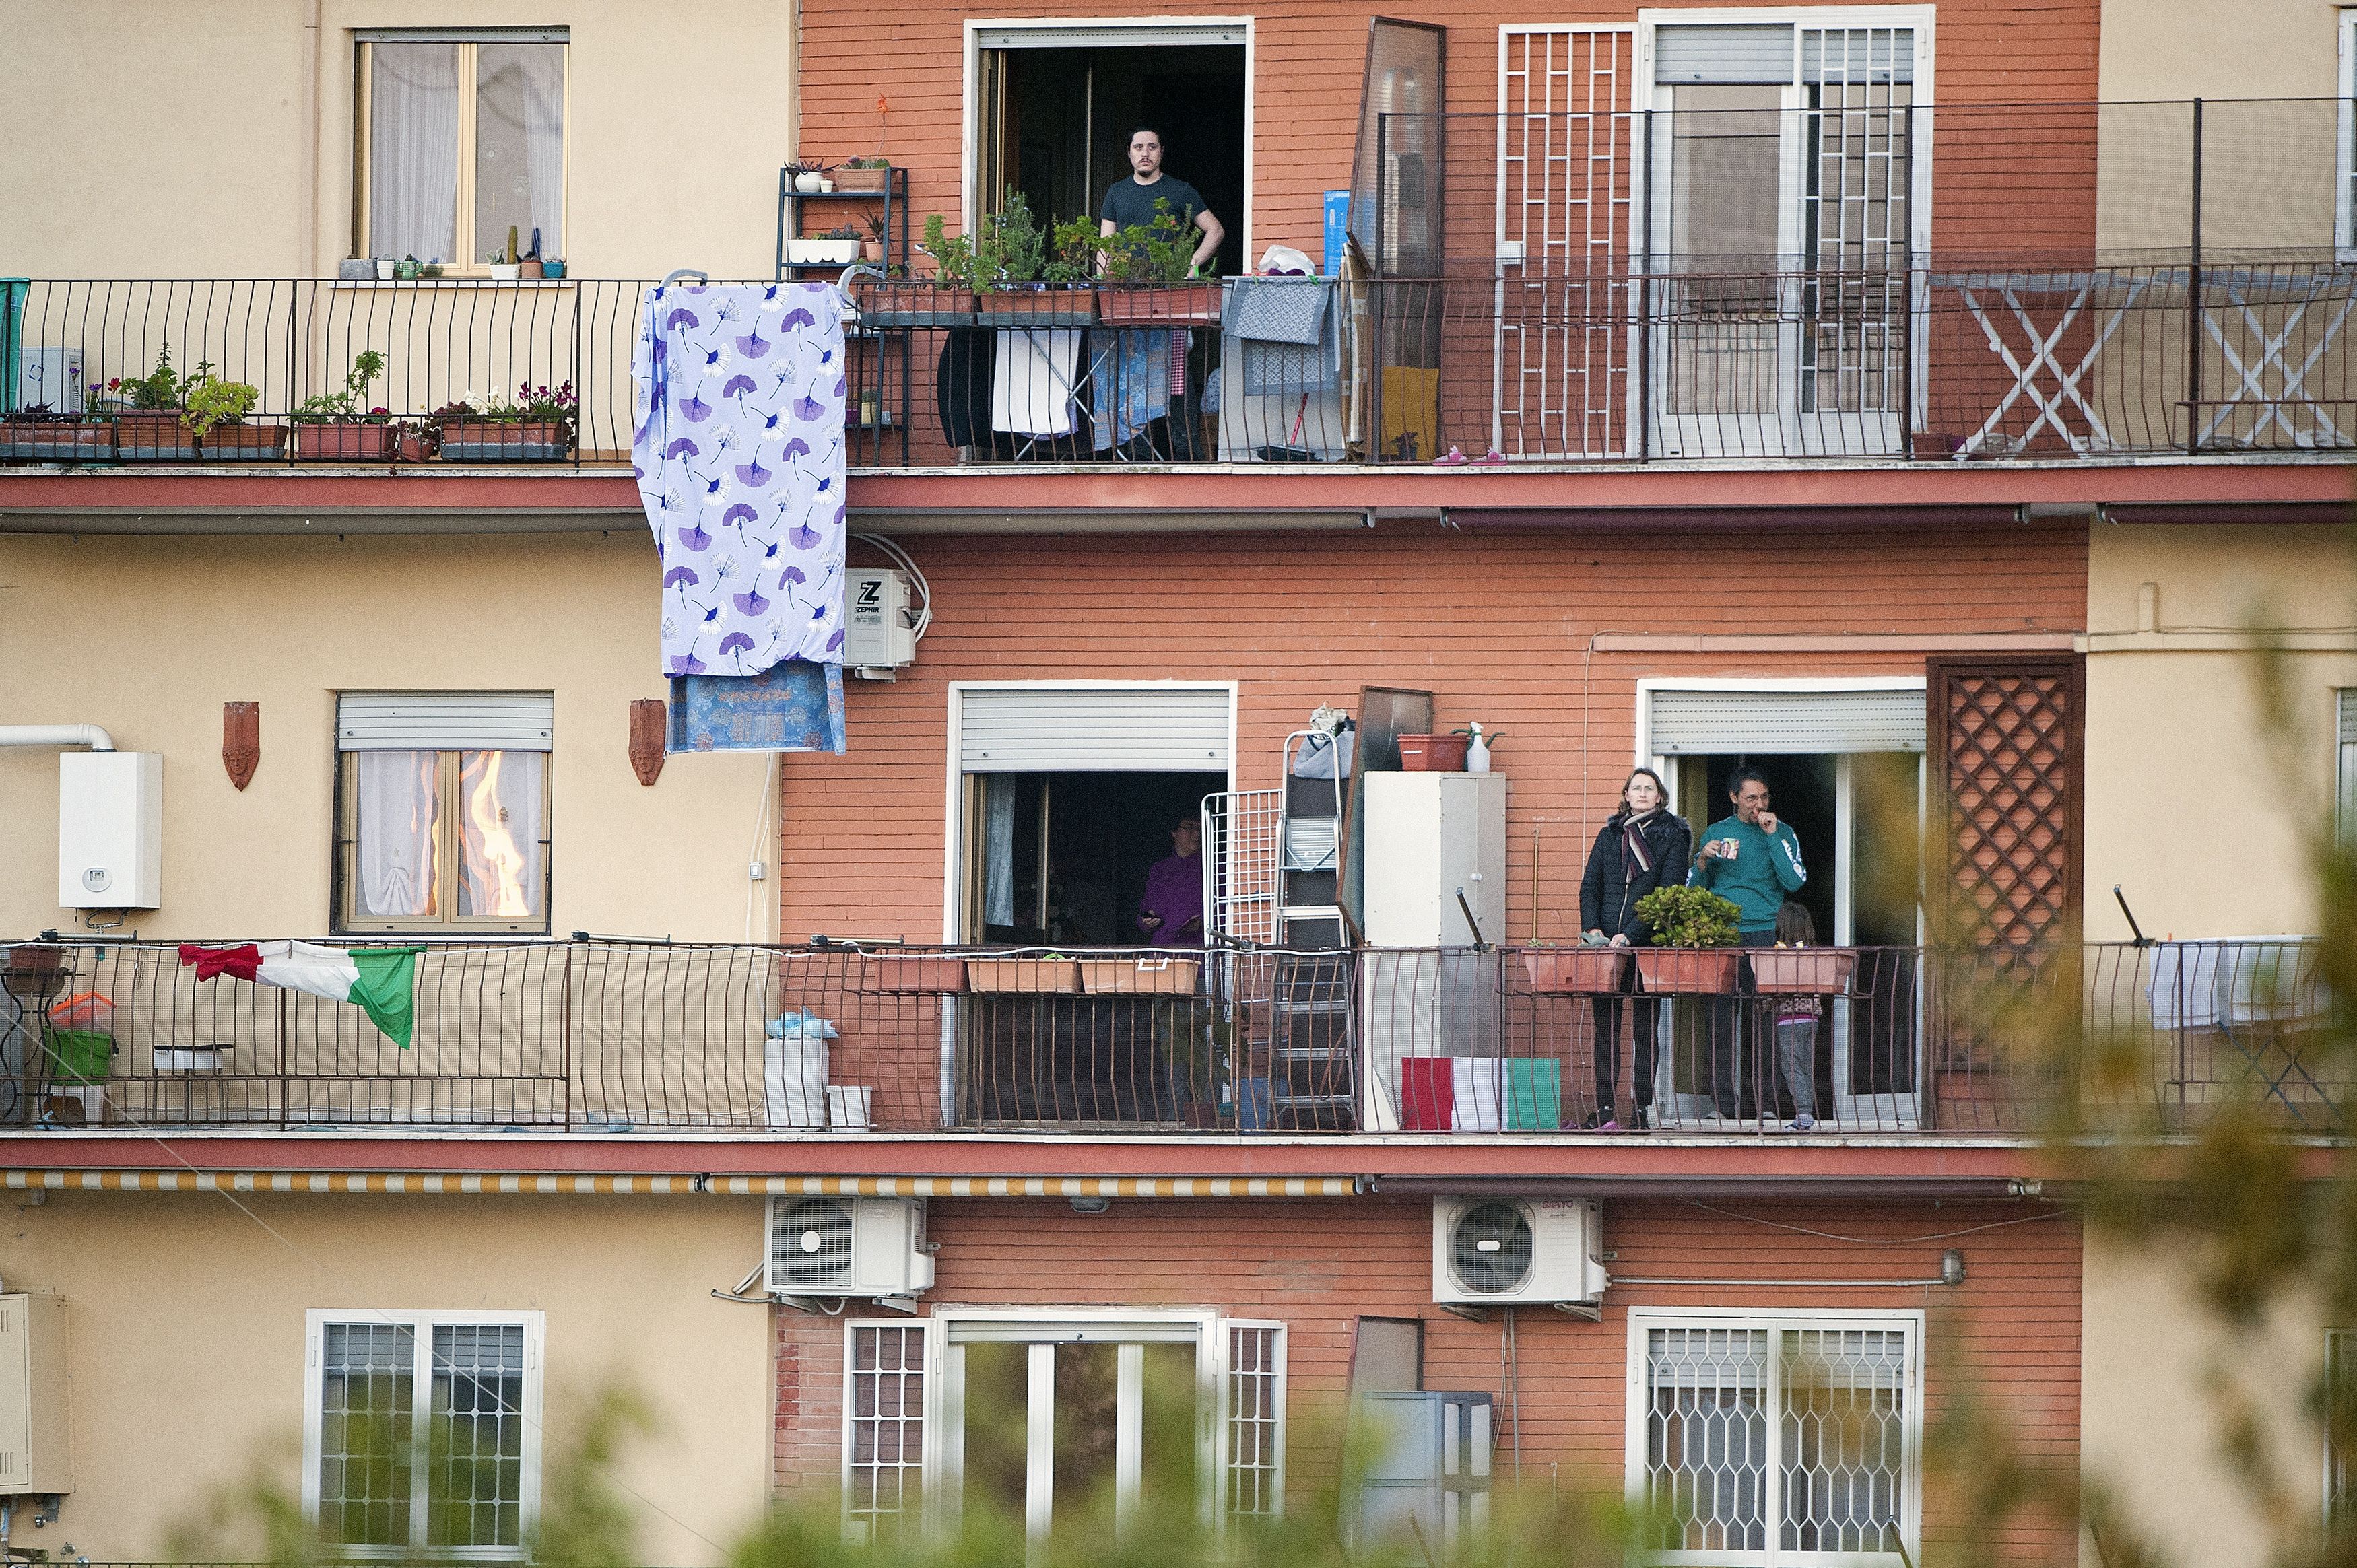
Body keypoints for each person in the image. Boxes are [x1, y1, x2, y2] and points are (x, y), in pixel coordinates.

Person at [1688, 768, 1807, 1120]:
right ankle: (1723, 1106)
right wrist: (1703, 860)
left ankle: (1766, 1106)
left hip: (1767, 934)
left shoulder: (1782, 832)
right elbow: (1694, 892)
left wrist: (1772, 836)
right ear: (1734, 798)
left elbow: (1795, 881)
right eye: (1752, 797)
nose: (1760, 804)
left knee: (1764, 1023)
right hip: (1722, 935)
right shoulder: (1717, 832)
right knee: (1721, 1020)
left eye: (1765, 797)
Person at [1575, 767, 1690, 1131]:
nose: (1642, 793)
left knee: (1645, 1029)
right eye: (1636, 788)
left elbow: (1668, 892)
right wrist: (1593, 928)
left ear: (1659, 797)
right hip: (1604, 948)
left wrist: (1632, 934)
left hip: (1646, 948)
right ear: (1626, 794)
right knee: (1605, 1029)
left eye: (1649, 789)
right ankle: (1607, 1109)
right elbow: (1590, 885)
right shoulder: (1610, 835)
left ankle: (1642, 1110)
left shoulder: (1674, 835)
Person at [1099, 127, 1225, 273]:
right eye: (1138, 147)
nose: (1145, 153)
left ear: (1162, 152)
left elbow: (1215, 230)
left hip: (1170, 286)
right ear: (1129, 152)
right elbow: (1106, 244)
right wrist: (1105, 284)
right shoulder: (1116, 192)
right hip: (1127, 285)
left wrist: (1192, 266)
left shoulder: (1181, 191)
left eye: (1152, 147)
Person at [1769, 900, 1822, 1133]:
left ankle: (1803, 1114)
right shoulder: (1812, 954)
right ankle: (1806, 1111)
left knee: (1792, 1066)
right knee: (1804, 1065)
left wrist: (1767, 1002)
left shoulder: (1783, 956)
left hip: (1789, 1020)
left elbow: (1780, 989)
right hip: (1811, 1019)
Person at [1138, 817, 1205, 947]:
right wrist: (1146, 921)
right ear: (1174, 833)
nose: (1197, 834)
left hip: (1198, 948)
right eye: (1189, 828)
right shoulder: (1159, 870)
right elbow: (1144, 910)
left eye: (1199, 829)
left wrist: (1203, 922)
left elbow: (1228, 910)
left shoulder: (1214, 867)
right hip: (1162, 948)